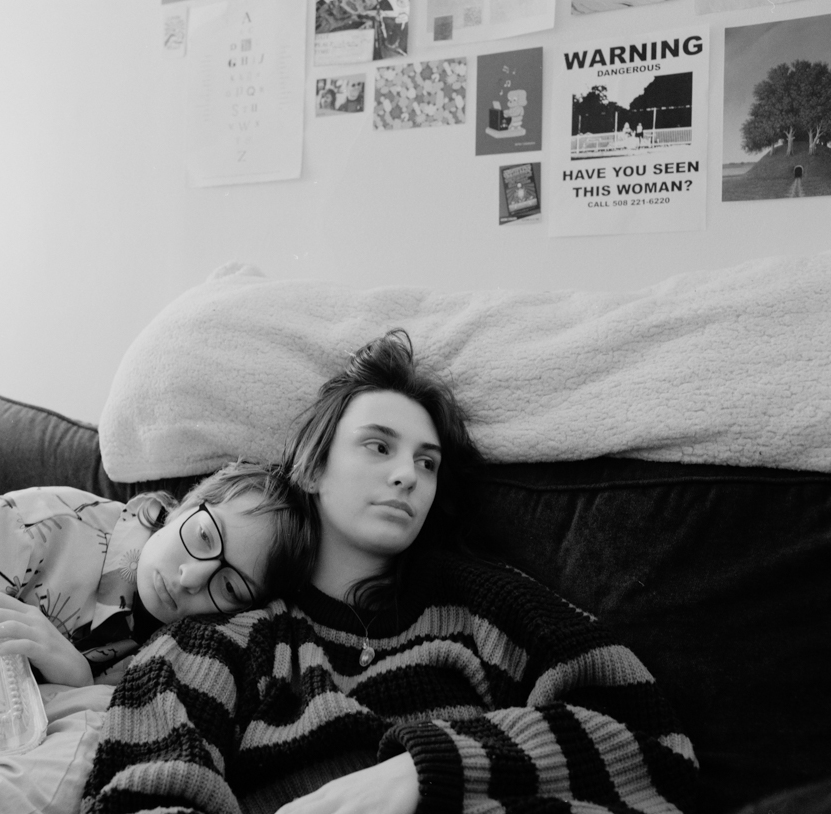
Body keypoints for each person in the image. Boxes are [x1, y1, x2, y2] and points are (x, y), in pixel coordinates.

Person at [83, 330, 699, 813]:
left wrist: (426, 768)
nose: (407, 475)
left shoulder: (486, 607)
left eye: (427, 463)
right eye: (379, 446)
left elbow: (651, 744)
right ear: (313, 467)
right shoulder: (229, 637)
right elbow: (143, 789)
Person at [0, 460, 316, 814]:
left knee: (117, 723)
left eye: (229, 587)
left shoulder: (195, 651)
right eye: (204, 536)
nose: (191, 577)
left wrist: (75, 676)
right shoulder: (40, 526)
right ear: (184, 504)